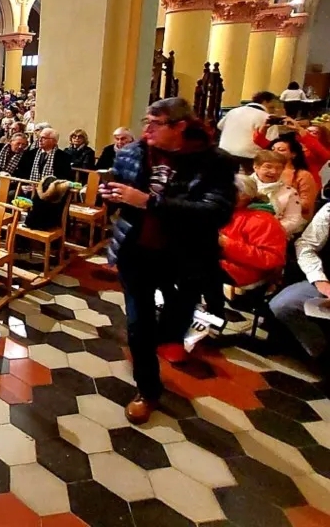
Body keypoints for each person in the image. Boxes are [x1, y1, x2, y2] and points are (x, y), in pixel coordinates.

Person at [101, 97, 235, 424]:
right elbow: (118, 187)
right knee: (138, 325)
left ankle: (168, 340)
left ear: (180, 127)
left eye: (154, 123)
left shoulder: (214, 162)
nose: (145, 129)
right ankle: (147, 390)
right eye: (146, 121)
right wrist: (108, 195)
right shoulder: (133, 153)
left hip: (184, 257)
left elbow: (216, 211)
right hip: (137, 252)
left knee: (173, 327)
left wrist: (150, 202)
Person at [270, 203, 330, 363]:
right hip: (325, 281)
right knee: (282, 304)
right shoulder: (329, 211)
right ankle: (320, 351)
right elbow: (306, 245)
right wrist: (320, 280)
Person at [219, 174, 286, 289]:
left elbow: (272, 259)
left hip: (243, 271)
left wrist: (226, 244)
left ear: (244, 195)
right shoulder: (219, 210)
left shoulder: (263, 220)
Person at [217, 91, 277, 169]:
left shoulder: (233, 111)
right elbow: (273, 140)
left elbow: (219, 126)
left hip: (225, 151)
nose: (274, 109)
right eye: (272, 107)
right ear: (265, 101)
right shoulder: (266, 117)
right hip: (249, 156)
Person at [251, 150, 305, 237]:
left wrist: (268, 230)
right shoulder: (242, 186)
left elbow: (293, 219)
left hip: (273, 235)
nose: (273, 171)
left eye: (279, 168)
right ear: (256, 167)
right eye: (268, 167)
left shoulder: (289, 192)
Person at [271, 136, 318, 220]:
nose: (275, 152)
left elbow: (307, 204)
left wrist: (280, 206)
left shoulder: (303, 175)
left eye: (281, 150)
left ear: (293, 154)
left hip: (294, 217)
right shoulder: (266, 172)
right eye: (273, 149)